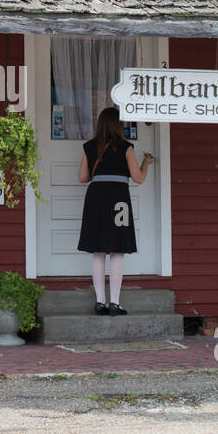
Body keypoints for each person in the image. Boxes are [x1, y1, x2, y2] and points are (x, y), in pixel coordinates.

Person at [77, 106, 153, 315]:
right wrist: (146, 162)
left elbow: (82, 178)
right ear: (118, 125)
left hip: (96, 199)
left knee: (98, 251)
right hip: (119, 200)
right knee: (117, 250)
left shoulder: (89, 146)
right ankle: (115, 303)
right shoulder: (126, 147)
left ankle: (100, 302)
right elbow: (138, 178)